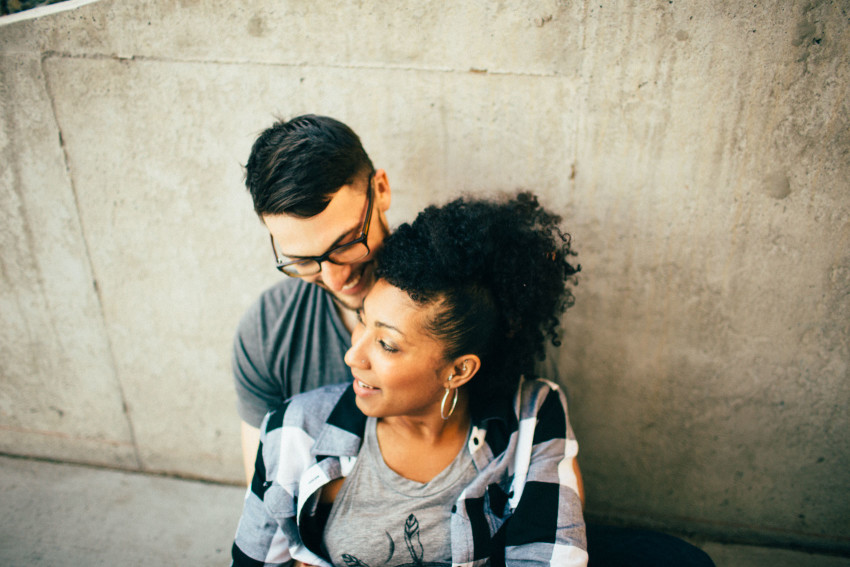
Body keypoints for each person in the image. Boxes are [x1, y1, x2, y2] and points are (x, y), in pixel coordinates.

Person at [231, 192, 588, 566]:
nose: (352, 356)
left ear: (458, 370)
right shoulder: (294, 432)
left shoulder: (531, 421)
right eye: (362, 321)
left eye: (387, 344)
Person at [234, 114, 391, 484]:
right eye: (304, 260)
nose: (336, 278)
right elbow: (266, 492)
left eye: (348, 243)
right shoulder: (266, 330)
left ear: (381, 190)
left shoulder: (453, 305)